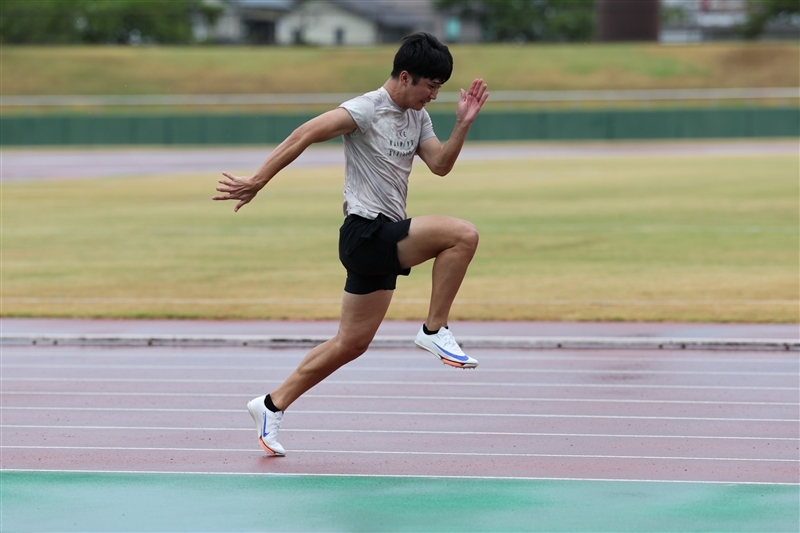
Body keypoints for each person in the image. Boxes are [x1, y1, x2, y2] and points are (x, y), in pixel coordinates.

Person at [213, 32, 488, 456]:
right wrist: (257, 181)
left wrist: (464, 123)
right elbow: (303, 133)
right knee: (462, 235)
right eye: (430, 85)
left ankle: (270, 405)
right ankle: (434, 329)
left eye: (439, 87)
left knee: (351, 344)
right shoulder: (365, 109)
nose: (434, 95)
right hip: (365, 232)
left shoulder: (419, 118)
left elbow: (440, 166)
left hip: (381, 239)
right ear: (404, 76)